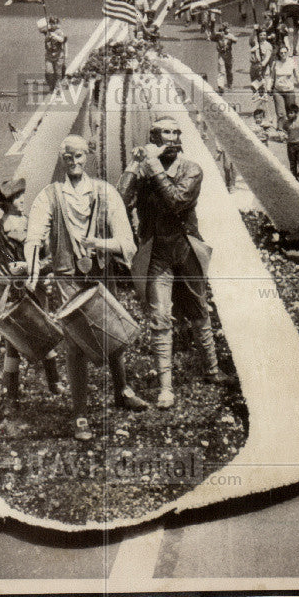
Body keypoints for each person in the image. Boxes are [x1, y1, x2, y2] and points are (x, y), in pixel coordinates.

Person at [25, 135, 147, 441]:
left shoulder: (106, 194)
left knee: (112, 333)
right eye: (68, 157)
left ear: (87, 156)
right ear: (62, 160)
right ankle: (79, 413)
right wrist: (30, 264)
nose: (75, 162)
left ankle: (122, 389)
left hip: (101, 276)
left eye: (79, 156)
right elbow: (34, 234)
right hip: (68, 279)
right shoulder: (50, 196)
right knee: (76, 345)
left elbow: (127, 243)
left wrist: (98, 243)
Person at [117, 116, 231, 411]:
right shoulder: (145, 169)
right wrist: (133, 166)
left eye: (174, 132)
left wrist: (152, 167)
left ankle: (212, 370)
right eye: (164, 133)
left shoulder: (191, 168)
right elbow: (119, 201)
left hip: (186, 246)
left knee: (199, 309)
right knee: (160, 317)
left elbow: (176, 201)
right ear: (153, 137)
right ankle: (166, 388)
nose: (170, 138)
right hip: (157, 252)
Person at [0, 177, 63, 407]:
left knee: (43, 332)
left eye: (22, 195)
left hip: (35, 288)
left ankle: (54, 382)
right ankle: (11, 392)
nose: (22, 199)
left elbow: (49, 257)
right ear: (5, 203)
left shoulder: (32, 225)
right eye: (17, 197)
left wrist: (31, 267)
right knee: (13, 342)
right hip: (10, 294)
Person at [270, 44, 299, 130]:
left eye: (285, 52)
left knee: (291, 112)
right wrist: (268, 89)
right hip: (278, 91)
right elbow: (272, 78)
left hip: (289, 91)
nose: (283, 54)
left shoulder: (292, 62)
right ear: (279, 54)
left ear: (287, 53)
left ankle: (293, 130)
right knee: (280, 113)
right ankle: (281, 132)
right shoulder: (275, 63)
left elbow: (298, 77)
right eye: (281, 53)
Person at [281, 103, 299, 185]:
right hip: (290, 145)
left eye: (291, 113)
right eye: (288, 113)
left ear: (296, 113)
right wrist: (284, 136)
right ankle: (294, 178)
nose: (289, 115)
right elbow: (284, 131)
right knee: (292, 163)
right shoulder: (286, 123)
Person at [43, 16, 67, 92]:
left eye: (54, 23)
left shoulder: (59, 32)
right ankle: (51, 85)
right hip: (49, 55)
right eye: (51, 23)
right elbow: (46, 41)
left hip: (58, 55)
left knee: (58, 73)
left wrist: (55, 36)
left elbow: (62, 40)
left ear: (57, 24)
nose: (53, 25)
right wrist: (48, 36)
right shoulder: (48, 31)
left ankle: (57, 87)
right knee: (49, 71)